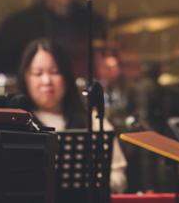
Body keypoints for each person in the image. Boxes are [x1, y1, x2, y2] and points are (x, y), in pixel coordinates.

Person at [18, 37, 127, 194]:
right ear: (25, 78)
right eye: (37, 73)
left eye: (55, 72)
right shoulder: (15, 124)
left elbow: (118, 175)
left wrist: (98, 184)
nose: (47, 81)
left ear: (67, 76)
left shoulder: (94, 121)